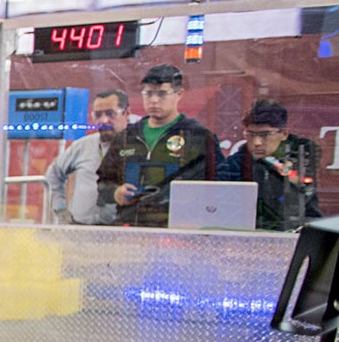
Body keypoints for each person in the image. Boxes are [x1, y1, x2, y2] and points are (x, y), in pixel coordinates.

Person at [96, 64, 219, 229]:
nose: (154, 100)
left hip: (179, 230)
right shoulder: (127, 137)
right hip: (131, 228)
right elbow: (103, 183)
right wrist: (115, 192)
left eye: (161, 94)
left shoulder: (197, 137)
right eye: (148, 93)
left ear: (179, 94)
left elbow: (218, 187)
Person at [217, 99, 322, 232]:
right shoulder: (234, 165)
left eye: (265, 135)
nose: (257, 142)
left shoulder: (302, 156)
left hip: (297, 233)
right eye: (250, 134)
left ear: (284, 134)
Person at [43, 89, 127, 226]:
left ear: (126, 114)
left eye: (110, 114)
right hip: (80, 227)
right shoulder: (83, 145)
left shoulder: (136, 146)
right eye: (98, 115)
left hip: (118, 228)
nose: (104, 120)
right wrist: (60, 209)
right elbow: (53, 174)